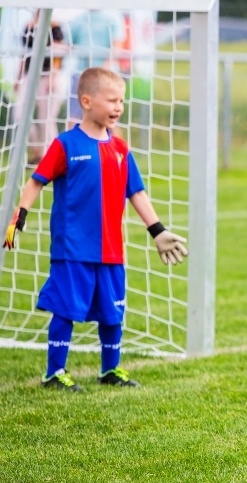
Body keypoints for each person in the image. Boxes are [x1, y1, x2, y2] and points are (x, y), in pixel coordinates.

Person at [3, 67, 189, 392]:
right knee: (66, 308)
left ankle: (110, 370)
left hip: (112, 249)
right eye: (112, 100)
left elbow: (137, 193)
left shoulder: (120, 149)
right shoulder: (66, 145)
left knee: (112, 312)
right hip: (73, 247)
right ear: (87, 101)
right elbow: (36, 182)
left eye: (122, 101)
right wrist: (18, 218)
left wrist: (157, 230)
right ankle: (54, 373)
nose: (118, 107)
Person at [14, 10, 67, 164]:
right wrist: (18, 79)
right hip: (29, 76)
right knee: (19, 114)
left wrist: (53, 75)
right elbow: (24, 55)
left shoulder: (55, 27)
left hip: (48, 76)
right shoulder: (28, 28)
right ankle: (37, 150)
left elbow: (58, 54)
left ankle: (54, 157)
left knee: (47, 119)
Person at [64, 10, 125, 129]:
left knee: (111, 120)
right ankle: (73, 147)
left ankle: (114, 148)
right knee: (74, 118)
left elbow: (117, 46)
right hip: (81, 75)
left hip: (107, 78)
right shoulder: (78, 19)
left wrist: (102, 73)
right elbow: (67, 45)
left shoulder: (113, 18)